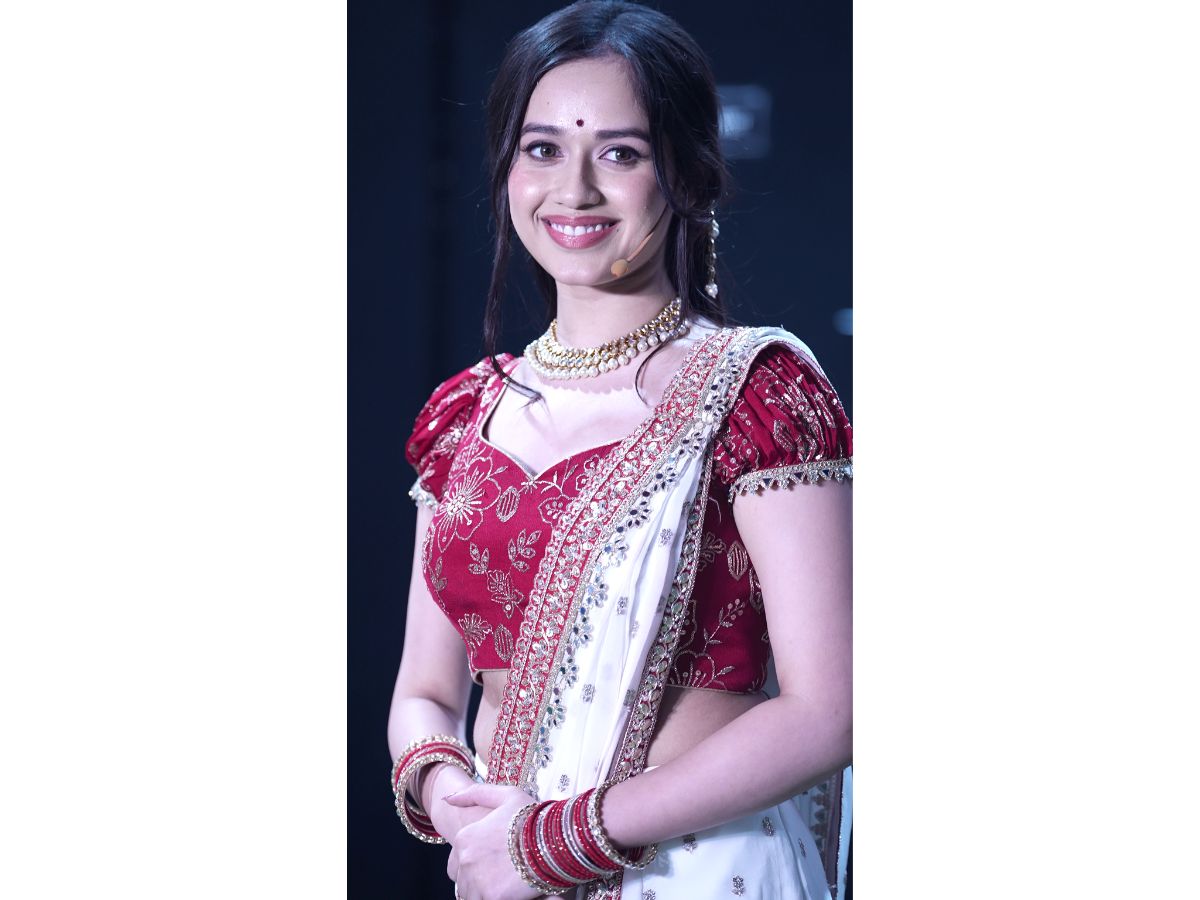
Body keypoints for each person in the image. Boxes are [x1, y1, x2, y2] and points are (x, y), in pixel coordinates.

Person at [386, 2, 852, 898]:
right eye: (542, 148)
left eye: (621, 154)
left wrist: (559, 840)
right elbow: (426, 693)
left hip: (700, 867)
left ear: (689, 174)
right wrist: (452, 799)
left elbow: (830, 709)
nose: (575, 190)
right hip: (504, 870)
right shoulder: (463, 418)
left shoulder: (756, 393)